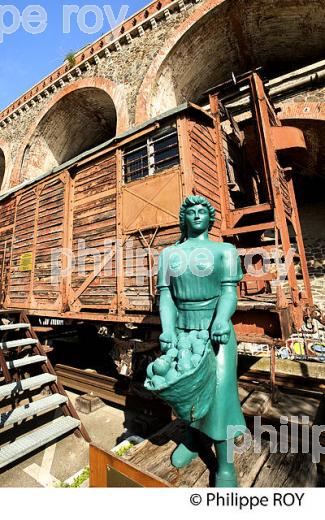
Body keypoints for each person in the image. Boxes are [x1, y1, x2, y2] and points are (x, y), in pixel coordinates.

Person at [157, 195, 247, 487]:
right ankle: (194, 439)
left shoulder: (225, 251)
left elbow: (230, 292)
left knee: (220, 399)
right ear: (184, 219)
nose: (196, 215)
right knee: (189, 394)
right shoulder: (169, 254)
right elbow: (167, 295)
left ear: (210, 219)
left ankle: (225, 466)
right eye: (190, 212)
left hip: (216, 332)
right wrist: (168, 329)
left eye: (201, 211)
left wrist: (222, 319)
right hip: (183, 330)